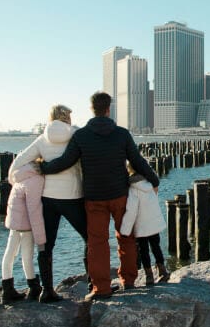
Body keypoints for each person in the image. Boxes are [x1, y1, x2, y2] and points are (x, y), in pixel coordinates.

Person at [40, 92, 160, 301]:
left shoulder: (81, 136)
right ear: (108, 109)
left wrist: (43, 167)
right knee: (126, 236)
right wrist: (154, 180)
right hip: (120, 195)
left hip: (94, 198)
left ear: (91, 109)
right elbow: (137, 161)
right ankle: (129, 281)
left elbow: (65, 162)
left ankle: (101, 288)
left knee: (97, 243)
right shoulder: (122, 134)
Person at [9, 104, 86, 302]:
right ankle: (93, 282)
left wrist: (22, 176)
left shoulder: (42, 139)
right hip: (73, 196)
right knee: (90, 238)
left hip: (48, 198)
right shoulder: (76, 134)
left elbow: (18, 163)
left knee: (45, 245)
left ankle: (47, 290)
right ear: (66, 117)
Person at [1, 161, 46, 304]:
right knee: (27, 256)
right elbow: (34, 209)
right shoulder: (36, 180)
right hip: (25, 224)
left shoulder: (20, 176)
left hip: (15, 222)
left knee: (10, 254)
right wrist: (41, 237)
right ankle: (33, 286)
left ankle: (7, 288)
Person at [120, 161, 170, 285]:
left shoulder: (132, 190)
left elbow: (131, 211)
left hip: (141, 227)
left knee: (143, 250)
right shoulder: (150, 185)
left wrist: (124, 230)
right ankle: (163, 271)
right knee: (156, 246)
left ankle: (149, 276)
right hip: (153, 224)